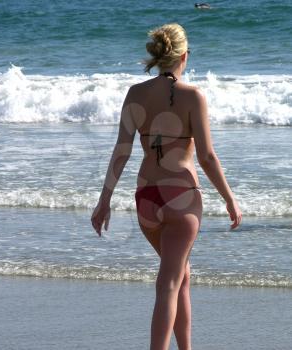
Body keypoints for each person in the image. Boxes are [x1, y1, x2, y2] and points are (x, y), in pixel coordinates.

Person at [91, 23, 242, 350]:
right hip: (181, 199)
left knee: (180, 277)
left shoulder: (135, 93)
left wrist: (104, 201)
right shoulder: (193, 97)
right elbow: (207, 156)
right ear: (184, 55)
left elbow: (121, 152)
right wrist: (230, 199)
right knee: (170, 282)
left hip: (146, 199)